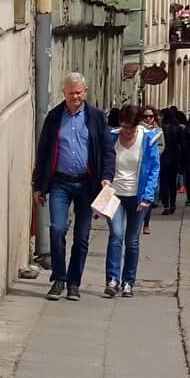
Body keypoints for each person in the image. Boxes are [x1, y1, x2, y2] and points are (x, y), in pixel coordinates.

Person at [32, 72, 114, 302]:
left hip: (87, 184)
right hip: (60, 182)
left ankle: (74, 283)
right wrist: (39, 185)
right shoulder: (55, 117)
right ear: (64, 93)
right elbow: (43, 151)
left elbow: (107, 151)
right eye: (71, 93)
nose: (75, 97)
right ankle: (59, 278)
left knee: (82, 236)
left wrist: (106, 177)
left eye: (79, 92)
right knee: (57, 229)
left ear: (85, 92)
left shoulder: (96, 118)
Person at [101, 105, 160, 297]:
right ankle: (112, 279)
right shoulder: (111, 138)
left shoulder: (148, 139)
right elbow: (105, 162)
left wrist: (148, 196)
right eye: (125, 127)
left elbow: (153, 169)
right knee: (116, 235)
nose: (128, 132)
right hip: (115, 194)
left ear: (138, 125)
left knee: (132, 240)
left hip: (138, 196)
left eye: (131, 128)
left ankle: (128, 282)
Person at [138, 107, 163, 234]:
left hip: (151, 165)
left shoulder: (158, 131)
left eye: (151, 116)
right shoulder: (138, 129)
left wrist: (153, 153)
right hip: (139, 167)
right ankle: (137, 221)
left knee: (149, 195)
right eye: (145, 116)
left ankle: (146, 223)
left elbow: (161, 146)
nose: (148, 119)